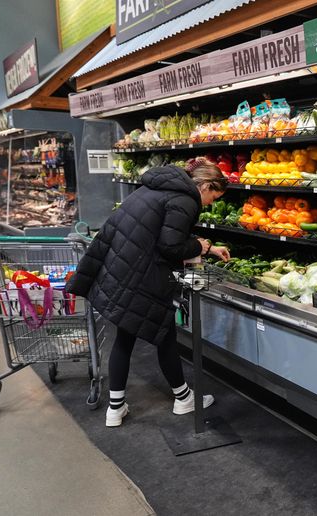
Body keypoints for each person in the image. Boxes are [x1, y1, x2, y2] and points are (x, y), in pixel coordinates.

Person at [67, 159, 230, 427]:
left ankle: (116, 408)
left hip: (120, 268)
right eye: (213, 197)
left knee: (127, 335)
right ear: (205, 185)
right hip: (143, 275)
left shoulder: (153, 187)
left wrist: (206, 248)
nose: (209, 204)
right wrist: (198, 247)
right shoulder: (186, 200)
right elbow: (171, 246)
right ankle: (183, 398)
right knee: (163, 332)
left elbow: (155, 232)